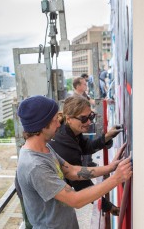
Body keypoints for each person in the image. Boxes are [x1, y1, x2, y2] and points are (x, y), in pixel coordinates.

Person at [16, 95, 132, 228]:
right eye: (55, 120)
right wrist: (116, 179)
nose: (59, 124)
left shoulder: (44, 147)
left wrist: (111, 168)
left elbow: (72, 171)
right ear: (42, 125)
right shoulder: (35, 166)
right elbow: (75, 200)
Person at [49, 96, 123, 216]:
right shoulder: (65, 144)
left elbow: (87, 147)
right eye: (83, 119)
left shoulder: (72, 131)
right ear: (69, 119)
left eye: (91, 116)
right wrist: (110, 208)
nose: (89, 122)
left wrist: (107, 136)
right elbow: (82, 185)